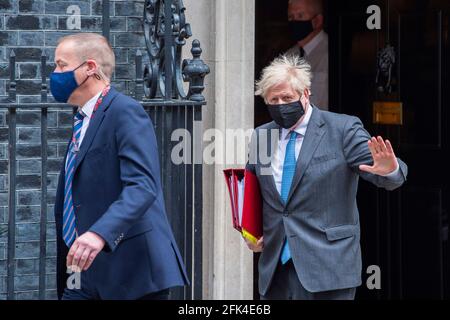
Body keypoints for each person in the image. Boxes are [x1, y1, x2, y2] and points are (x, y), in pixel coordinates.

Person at [245, 55, 408, 300]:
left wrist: (389, 170)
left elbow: (388, 174)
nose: (280, 105)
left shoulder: (342, 129)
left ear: (306, 94)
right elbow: (254, 191)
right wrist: (250, 232)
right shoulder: (261, 136)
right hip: (276, 270)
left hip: (328, 268)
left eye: (287, 98)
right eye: (273, 100)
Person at [51, 33, 189, 300]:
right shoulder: (82, 118)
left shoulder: (124, 111)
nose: (55, 74)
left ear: (89, 68)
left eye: (61, 65)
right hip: (85, 272)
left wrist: (98, 234)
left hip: (133, 274)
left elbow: (143, 186)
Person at [286, 0, 329, 110]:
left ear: (318, 20)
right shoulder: (289, 56)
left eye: (300, 16)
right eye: (291, 17)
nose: (294, 21)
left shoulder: (330, 52)